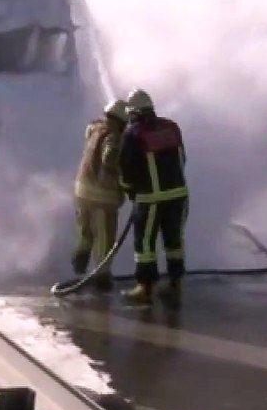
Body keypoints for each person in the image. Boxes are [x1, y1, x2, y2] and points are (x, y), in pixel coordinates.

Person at [117, 88, 188, 305]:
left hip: (151, 199)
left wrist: (130, 191)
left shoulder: (133, 134)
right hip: (179, 196)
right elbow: (182, 158)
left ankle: (145, 288)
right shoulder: (172, 127)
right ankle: (175, 284)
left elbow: (126, 168)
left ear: (134, 112)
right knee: (174, 241)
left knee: (145, 245)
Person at [71, 98, 129, 291]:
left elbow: (90, 126)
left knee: (86, 232)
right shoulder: (115, 137)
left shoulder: (94, 129)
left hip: (82, 191)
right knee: (105, 237)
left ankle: (80, 258)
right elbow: (110, 157)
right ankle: (102, 278)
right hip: (102, 197)